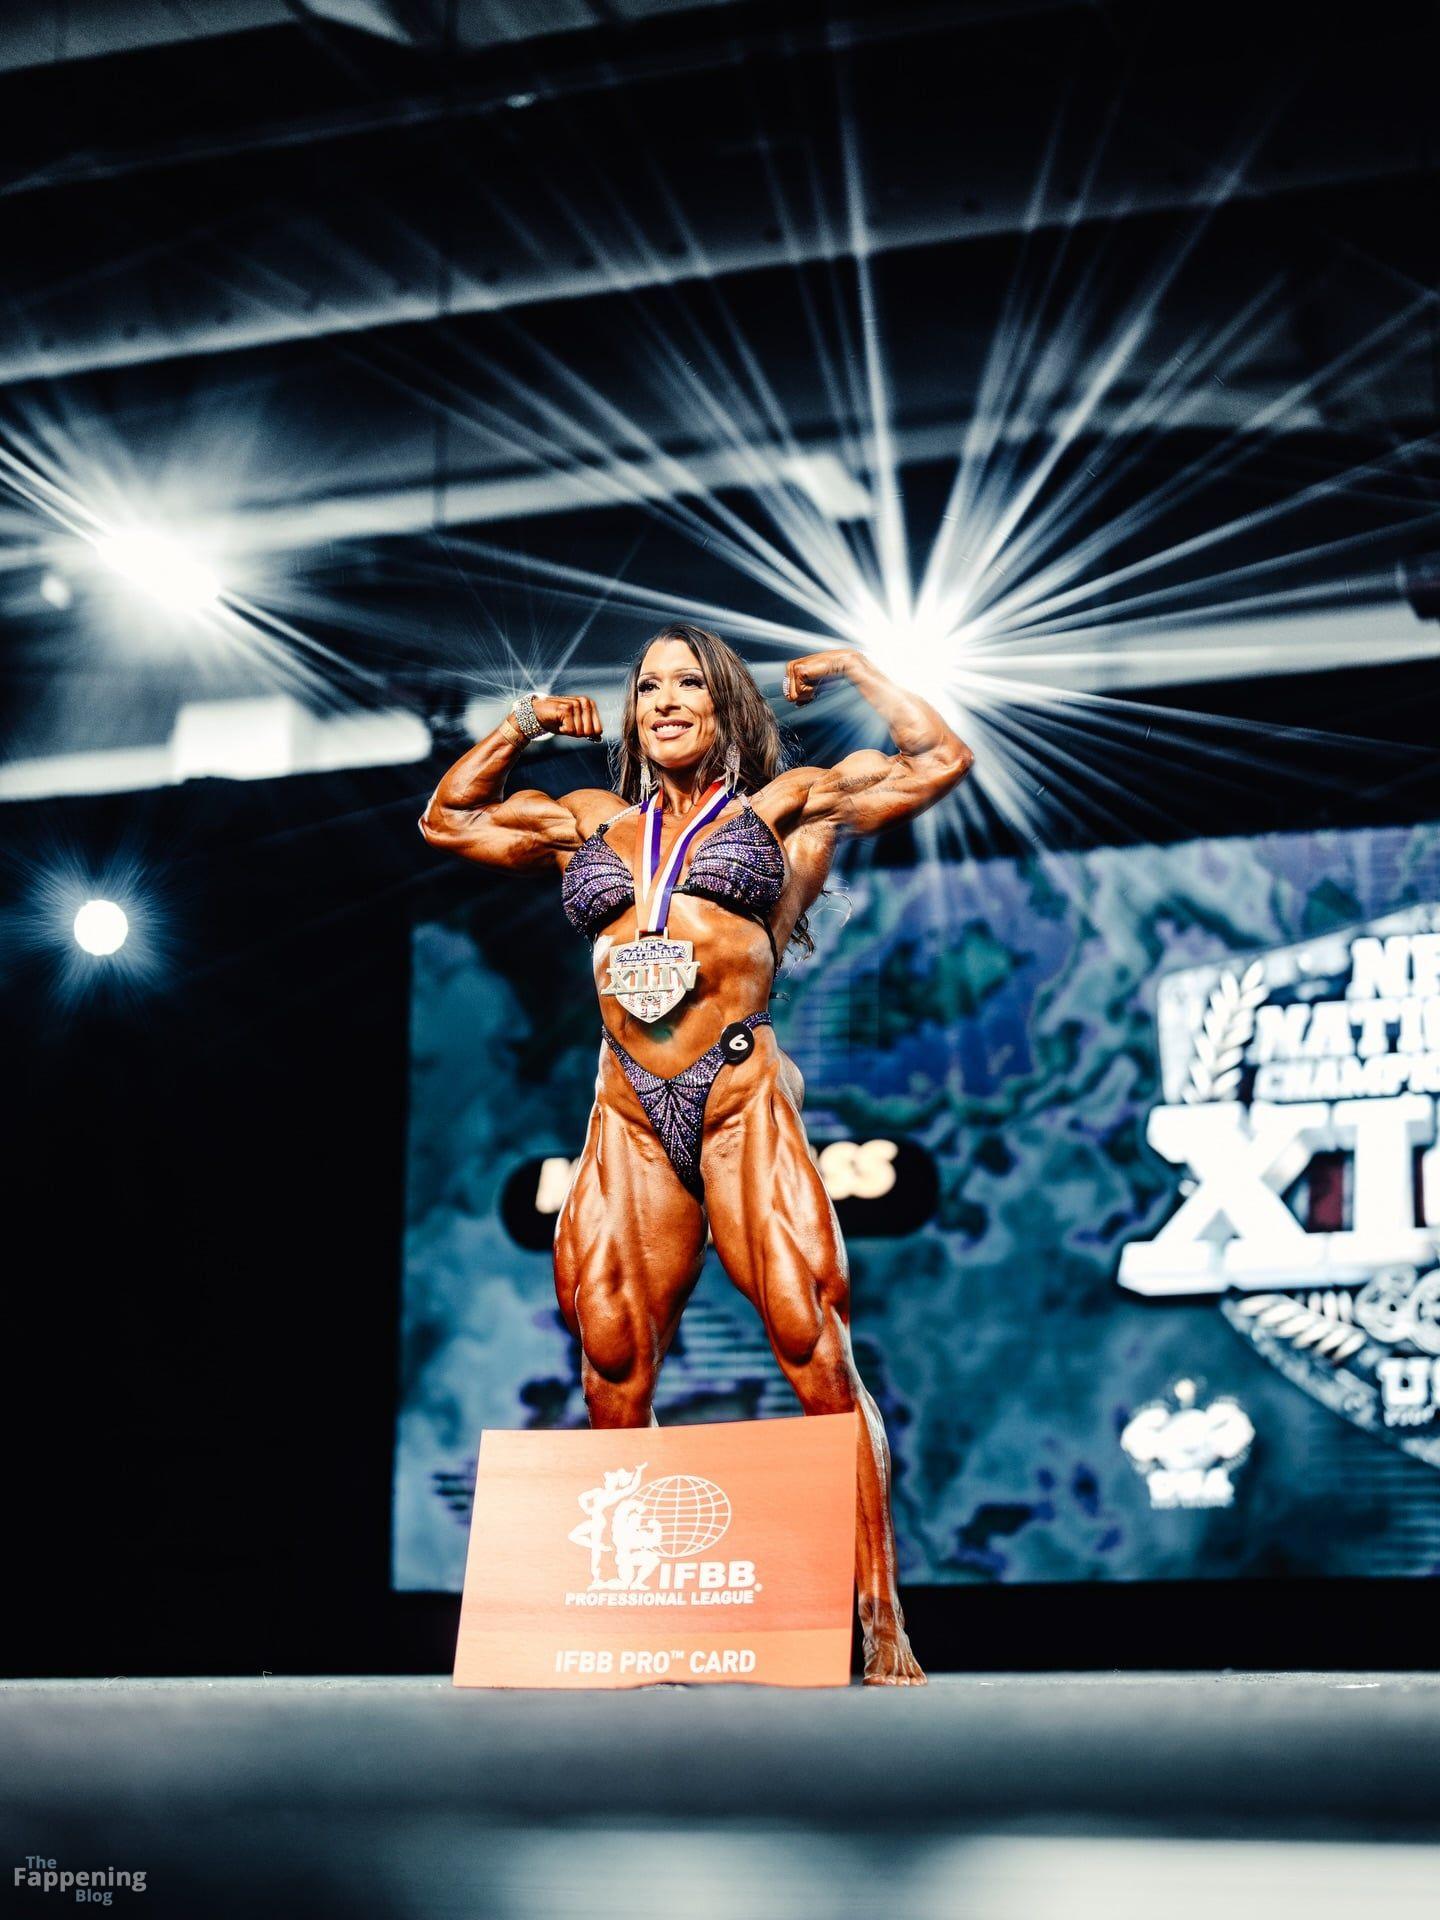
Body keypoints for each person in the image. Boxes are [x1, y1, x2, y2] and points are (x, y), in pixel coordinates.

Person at [421, 623, 973, 1684]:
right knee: (612, 1361)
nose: (665, 700)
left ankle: (880, 1619)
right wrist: (523, 724)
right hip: (626, 1104)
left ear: (726, 705)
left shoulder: (787, 805)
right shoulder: (591, 820)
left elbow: (938, 758)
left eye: (688, 684)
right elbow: (447, 819)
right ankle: (639, 1619)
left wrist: (858, 671)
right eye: (648, 686)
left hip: (735, 1092)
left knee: (813, 1344)